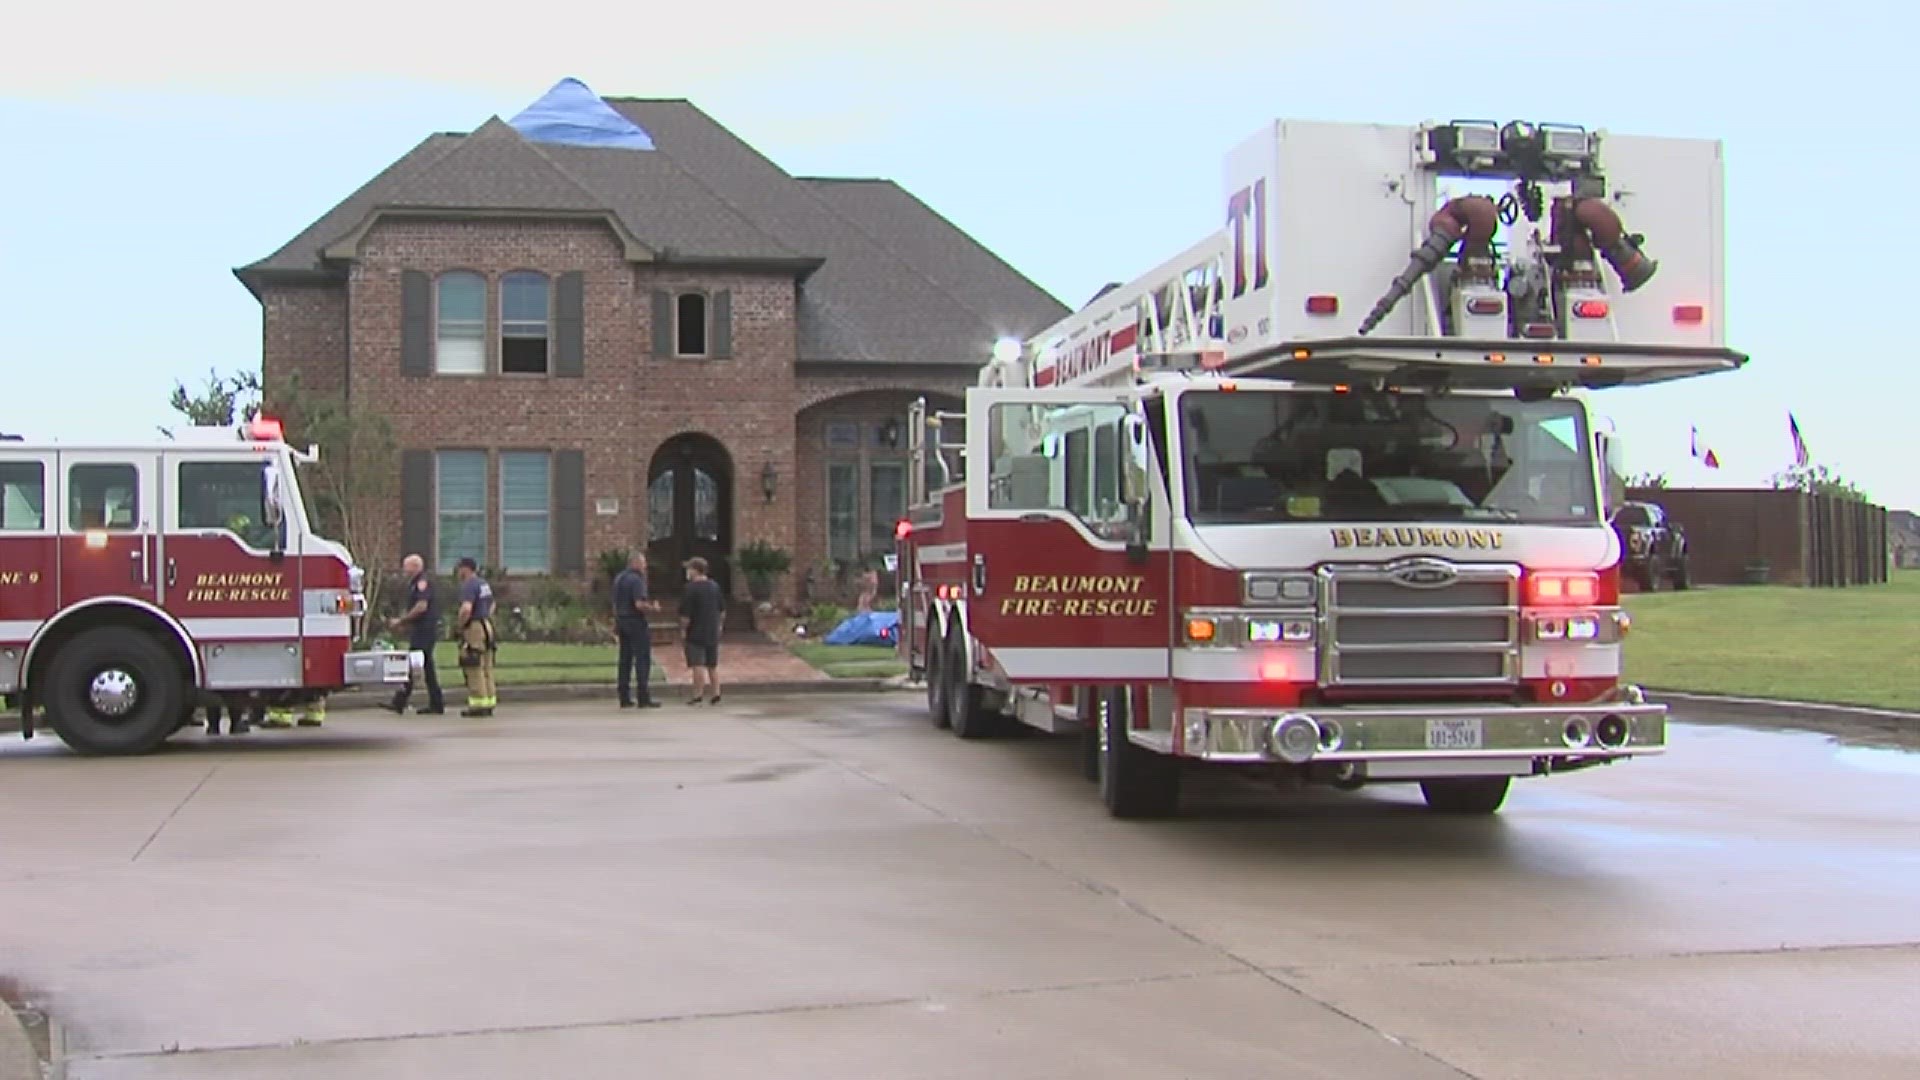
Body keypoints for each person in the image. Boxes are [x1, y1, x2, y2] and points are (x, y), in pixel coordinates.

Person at [384, 553, 446, 715]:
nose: (404, 570)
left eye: (406, 566)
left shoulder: (422, 583)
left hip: (425, 630)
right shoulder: (415, 582)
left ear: (415, 567)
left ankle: (401, 701)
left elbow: (421, 606)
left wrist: (401, 621)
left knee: (414, 663)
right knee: (424, 665)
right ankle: (434, 703)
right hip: (422, 629)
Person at [612, 551, 662, 708]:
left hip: (622, 620)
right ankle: (643, 696)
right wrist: (653, 608)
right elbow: (639, 604)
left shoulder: (619, 578)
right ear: (635, 563)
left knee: (625, 659)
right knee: (642, 658)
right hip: (635, 621)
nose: (645, 566)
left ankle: (624, 696)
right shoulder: (637, 580)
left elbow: (615, 603)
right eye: (643, 563)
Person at [453, 557, 498, 717]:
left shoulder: (469, 585)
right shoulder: (483, 583)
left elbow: (466, 609)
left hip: (474, 627)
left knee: (473, 665)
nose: (458, 572)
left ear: (466, 569)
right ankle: (489, 701)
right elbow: (492, 604)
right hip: (486, 625)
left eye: (459, 568)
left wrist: (460, 625)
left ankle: (478, 705)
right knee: (486, 665)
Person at [678, 556, 725, 705]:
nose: (687, 572)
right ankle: (716, 692)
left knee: (697, 664)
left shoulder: (690, 589)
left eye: (689, 569)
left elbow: (686, 615)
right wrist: (719, 626)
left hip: (696, 631)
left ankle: (698, 694)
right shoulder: (714, 586)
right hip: (712, 630)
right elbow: (722, 610)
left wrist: (683, 630)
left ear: (695, 570)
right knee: (712, 664)